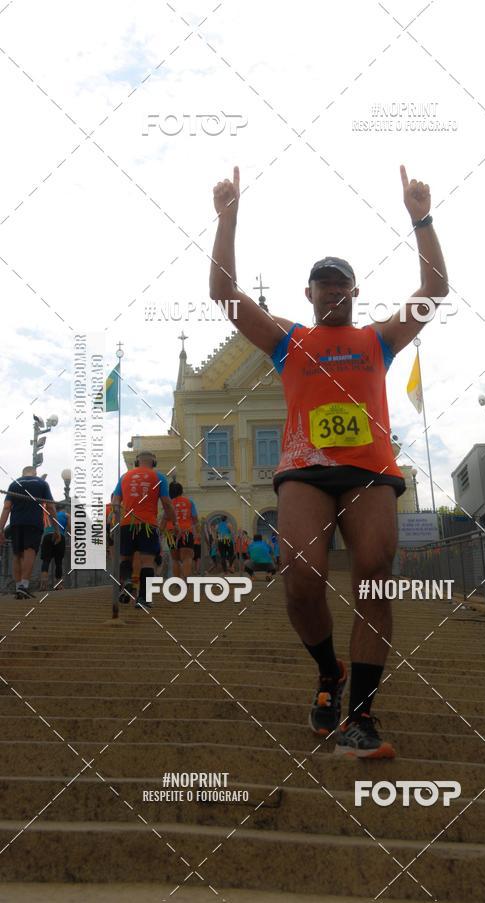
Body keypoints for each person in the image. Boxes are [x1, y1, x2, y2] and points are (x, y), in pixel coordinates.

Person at [210, 164, 448, 758]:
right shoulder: (290, 341)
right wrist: (227, 218)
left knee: (372, 574)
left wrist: (420, 218)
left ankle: (362, 717)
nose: (332, 289)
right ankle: (329, 672)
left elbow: (435, 290)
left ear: (355, 291)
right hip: (306, 471)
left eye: (341, 281)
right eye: (322, 282)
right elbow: (224, 295)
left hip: (369, 471)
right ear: (308, 293)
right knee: (301, 581)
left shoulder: (379, 339)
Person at [111, 451, 177, 609]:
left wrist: (118, 521)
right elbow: (167, 503)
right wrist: (173, 521)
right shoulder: (159, 477)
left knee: (125, 559)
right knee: (147, 561)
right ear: (154, 463)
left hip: (127, 523)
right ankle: (143, 599)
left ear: (136, 462)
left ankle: (127, 582)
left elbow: (115, 502)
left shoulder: (124, 477)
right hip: (148, 523)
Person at [0, 467, 58, 599]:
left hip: (16, 523)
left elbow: (6, 507)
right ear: (35, 473)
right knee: (29, 552)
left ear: (22, 473)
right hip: (33, 523)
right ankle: (24, 587)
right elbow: (51, 507)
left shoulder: (14, 483)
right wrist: (56, 529)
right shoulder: (42, 483)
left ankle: (18, 586)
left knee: (17, 554)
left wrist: (0, 529)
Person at [161, 482, 199, 585]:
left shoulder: (169, 504)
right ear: (181, 491)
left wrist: (160, 533)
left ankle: (177, 582)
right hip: (186, 532)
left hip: (171, 532)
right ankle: (185, 580)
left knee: (175, 559)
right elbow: (195, 519)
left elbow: (164, 519)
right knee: (187, 557)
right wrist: (197, 533)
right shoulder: (189, 502)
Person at [39, 504, 69, 591]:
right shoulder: (66, 515)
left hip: (47, 536)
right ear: (62, 509)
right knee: (58, 562)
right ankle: (58, 585)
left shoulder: (47, 515)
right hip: (60, 536)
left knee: (46, 560)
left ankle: (43, 584)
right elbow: (71, 528)